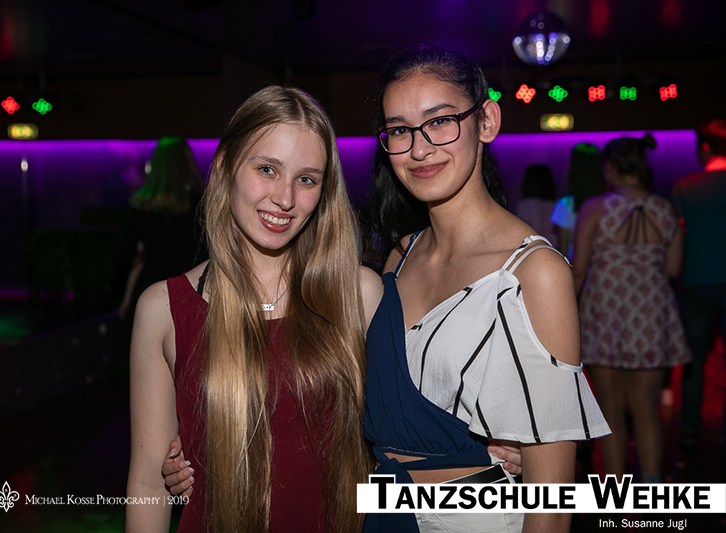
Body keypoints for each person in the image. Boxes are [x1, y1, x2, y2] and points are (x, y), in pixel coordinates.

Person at [363, 45, 609, 533]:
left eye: (439, 121)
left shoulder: (533, 272)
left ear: (487, 122)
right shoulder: (400, 256)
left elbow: (551, 501)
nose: (418, 149)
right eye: (399, 130)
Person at [126, 86, 384, 533]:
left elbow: (397, 454)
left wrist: (488, 466)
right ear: (224, 165)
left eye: (307, 179)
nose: (285, 198)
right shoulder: (163, 309)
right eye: (267, 169)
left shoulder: (359, 295)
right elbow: (148, 479)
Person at [574, 134, 690, 483]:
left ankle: (615, 492)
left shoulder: (595, 207)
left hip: (605, 311)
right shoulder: (665, 209)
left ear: (609, 168)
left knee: (610, 410)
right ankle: (652, 486)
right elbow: (673, 269)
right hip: (651, 313)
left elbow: (578, 269)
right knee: (646, 408)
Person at [672, 119, 726, 448]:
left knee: (694, 360)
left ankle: (690, 428)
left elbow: (678, 238)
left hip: (696, 280)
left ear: (705, 148)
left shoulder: (685, 187)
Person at [114, 137, 207, 325]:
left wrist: (126, 297)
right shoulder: (201, 206)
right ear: (187, 164)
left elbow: (125, 256)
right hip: (190, 295)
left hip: (150, 292)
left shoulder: (141, 207)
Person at [550, 143, 606, 261]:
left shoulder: (565, 205)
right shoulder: (610, 204)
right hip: (605, 266)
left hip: (578, 266)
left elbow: (564, 253)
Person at [515, 164, 557, 246]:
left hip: (533, 247)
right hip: (552, 247)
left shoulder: (525, 205)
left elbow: (522, 234)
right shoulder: (556, 204)